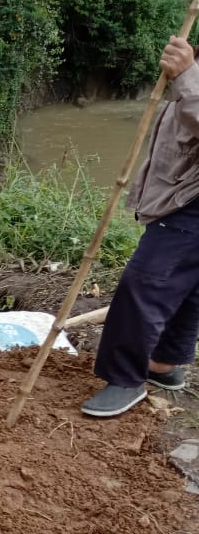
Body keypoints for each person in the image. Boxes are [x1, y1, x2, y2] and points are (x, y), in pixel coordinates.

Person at [82, 34, 199, 417]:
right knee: (187, 284)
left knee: (145, 283)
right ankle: (163, 366)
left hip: (192, 202)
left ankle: (125, 378)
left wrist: (187, 77)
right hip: (183, 192)